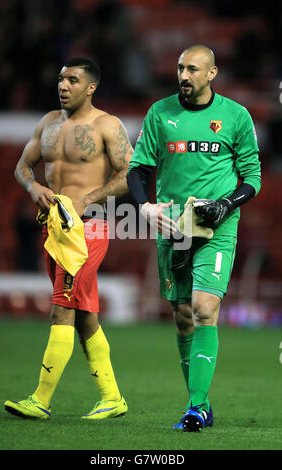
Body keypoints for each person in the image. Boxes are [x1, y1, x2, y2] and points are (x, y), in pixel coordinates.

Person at [127, 45, 261, 432]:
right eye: (180, 68)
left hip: (217, 228)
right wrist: (145, 207)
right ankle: (199, 404)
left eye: (193, 69)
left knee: (205, 309)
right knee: (183, 317)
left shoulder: (236, 116)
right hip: (173, 227)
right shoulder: (160, 112)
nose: (184, 76)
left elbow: (252, 178)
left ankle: (196, 409)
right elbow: (138, 170)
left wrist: (226, 203)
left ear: (212, 73)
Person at [4, 57, 133, 420]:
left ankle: (40, 400)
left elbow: (130, 173)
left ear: (91, 87)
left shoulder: (107, 125)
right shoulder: (47, 123)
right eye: (61, 79)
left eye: (73, 80)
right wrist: (33, 188)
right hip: (53, 228)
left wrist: (88, 198)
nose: (63, 85)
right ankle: (112, 398)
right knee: (83, 313)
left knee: (62, 307)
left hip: (88, 228)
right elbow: (21, 167)